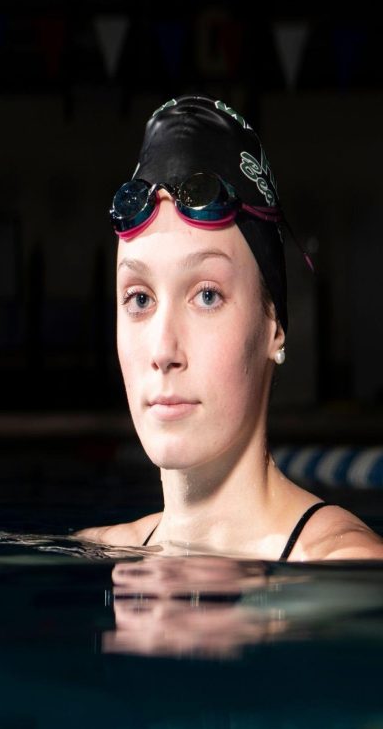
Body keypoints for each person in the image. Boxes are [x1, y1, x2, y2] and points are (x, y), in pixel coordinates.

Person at [79, 96, 383, 561]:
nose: (163, 350)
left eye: (206, 295)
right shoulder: (98, 548)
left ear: (274, 325)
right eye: (139, 299)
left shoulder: (343, 566)